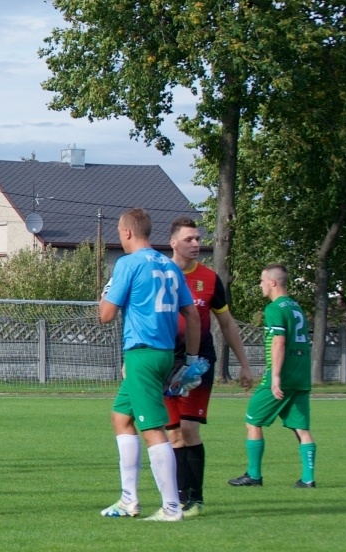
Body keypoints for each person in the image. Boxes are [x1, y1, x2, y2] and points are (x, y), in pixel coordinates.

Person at [96, 208, 200, 521]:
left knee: (153, 429)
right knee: (120, 417)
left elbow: (105, 315)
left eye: (119, 232)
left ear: (127, 233)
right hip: (165, 352)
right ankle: (128, 499)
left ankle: (171, 507)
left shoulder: (127, 264)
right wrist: (192, 360)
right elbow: (192, 315)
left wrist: (105, 293)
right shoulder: (170, 265)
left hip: (142, 352)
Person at [165, 218, 254, 515]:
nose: (196, 244)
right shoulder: (159, 275)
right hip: (165, 362)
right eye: (189, 239)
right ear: (173, 243)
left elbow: (226, 323)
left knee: (189, 430)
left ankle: (196, 499)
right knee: (173, 434)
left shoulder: (210, 279)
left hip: (198, 363)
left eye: (198, 238)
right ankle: (177, 499)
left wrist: (244, 364)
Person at [229, 264, 317, 489]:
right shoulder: (296, 307)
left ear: (273, 283)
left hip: (282, 375)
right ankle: (308, 479)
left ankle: (254, 475)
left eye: (262, 281)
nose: (260, 285)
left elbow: (278, 341)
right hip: (301, 375)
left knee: (252, 420)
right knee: (301, 428)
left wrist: (275, 377)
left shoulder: (275, 309)